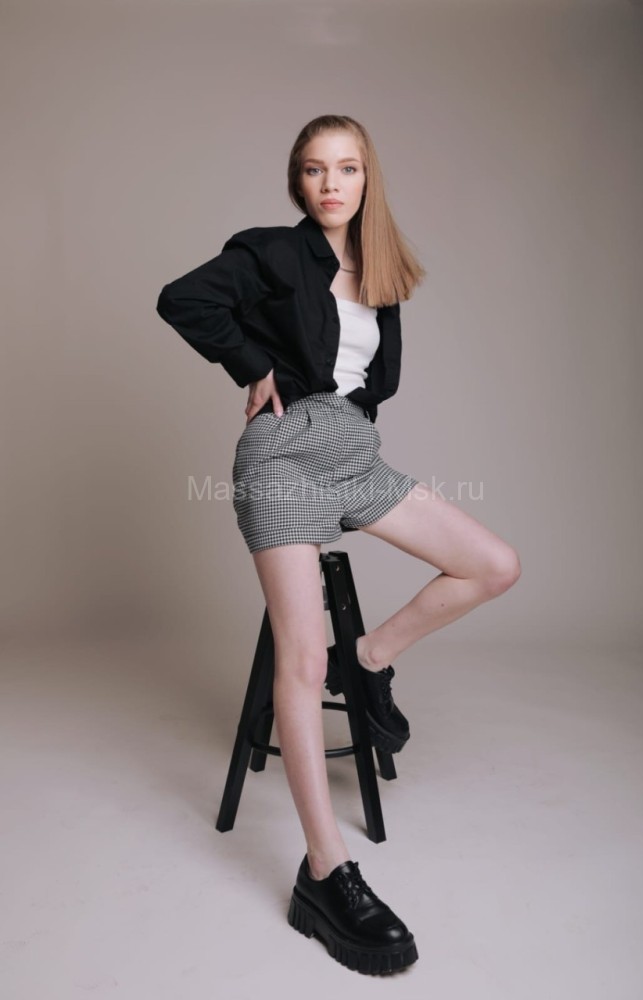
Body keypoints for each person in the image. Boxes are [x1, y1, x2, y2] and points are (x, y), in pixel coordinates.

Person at [156, 114, 521, 976]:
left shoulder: (381, 272)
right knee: (300, 658)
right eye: (315, 170)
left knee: (492, 565)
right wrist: (253, 366)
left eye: (347, 168)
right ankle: (325, 872)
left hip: (353, 452)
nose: (331, 184)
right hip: (283, 454)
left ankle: (369, 660)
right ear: (298, 181)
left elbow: (367, 383)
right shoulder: (273, 252)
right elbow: (182, 299)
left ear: (367, 179)